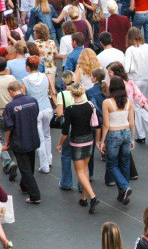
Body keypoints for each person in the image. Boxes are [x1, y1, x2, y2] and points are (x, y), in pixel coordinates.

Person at [59, 82, 100, 213]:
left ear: (71, 93)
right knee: (85, 169)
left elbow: (65, 131)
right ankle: (83, 197)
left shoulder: (70, 110)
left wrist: (60, 144)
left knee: (80, 172)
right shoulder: (89, 106)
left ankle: (93, 197)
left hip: (76, 142)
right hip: (89, 140)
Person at [2, 81, 41, 204]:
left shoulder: (10, 106)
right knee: (30, 164)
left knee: (25, 168)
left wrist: (6, 142)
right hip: (33, 137)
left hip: (19, 140)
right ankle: (24, 186)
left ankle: (35, 195)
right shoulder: (33, 100)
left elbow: (9, 127)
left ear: (11, 91)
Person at [99, 76, 135, 205]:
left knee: (111, 164)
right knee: (125, 162)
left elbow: (106, 124)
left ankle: (124, 187)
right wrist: (132, 138)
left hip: (113, 134)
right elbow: (132, 122)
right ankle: (123, 193)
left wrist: (102, 141)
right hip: (126, 133)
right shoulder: (128, 101)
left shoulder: (107, 102)